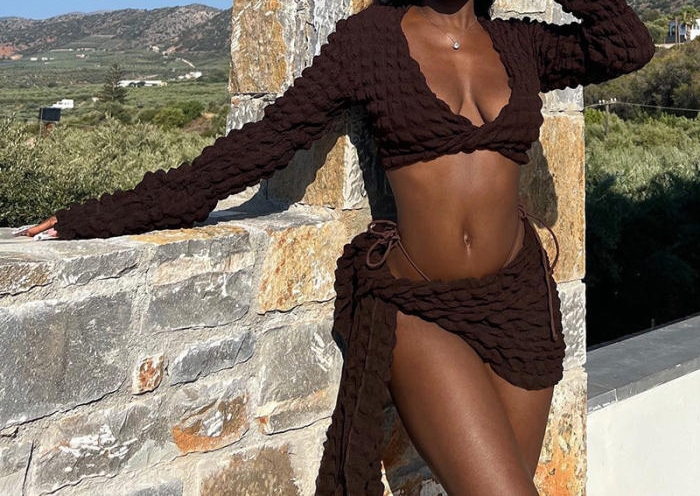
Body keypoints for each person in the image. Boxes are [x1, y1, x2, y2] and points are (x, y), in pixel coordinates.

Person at [22, 0, 653, 493]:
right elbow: (265, 141)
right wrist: (108, 214)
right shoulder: (370, 42)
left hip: (518, 304)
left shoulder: (519, 42)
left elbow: (627, 44)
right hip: (421, 307)